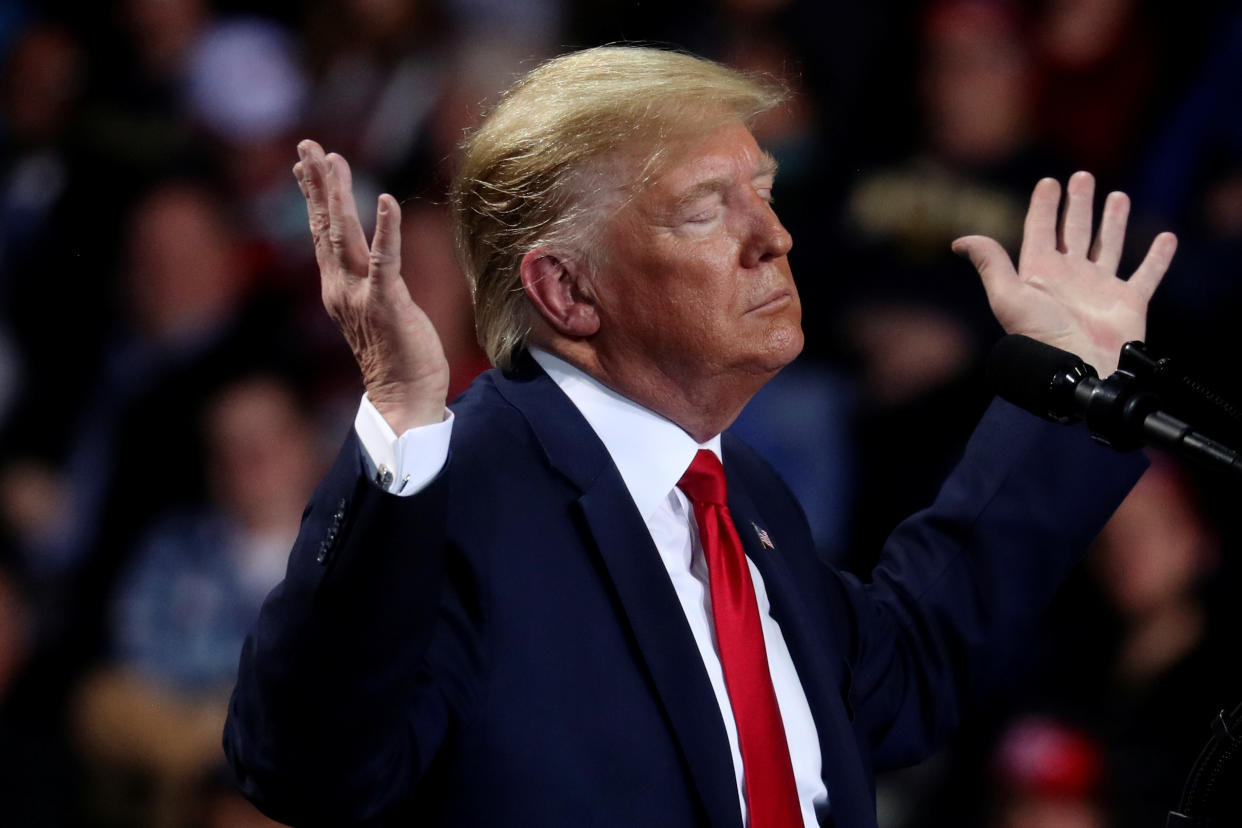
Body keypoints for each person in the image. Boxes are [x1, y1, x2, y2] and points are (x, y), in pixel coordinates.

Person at [223, 46, 1177, 828]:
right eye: (704, 209)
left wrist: (1070, 390)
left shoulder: (739, 497)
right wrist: (397, 414)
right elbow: (312, 769)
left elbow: (901, 670)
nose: (774, 236)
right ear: (567, 290)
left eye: (762, 190)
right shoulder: (463, 489)